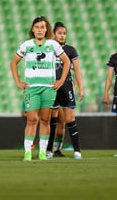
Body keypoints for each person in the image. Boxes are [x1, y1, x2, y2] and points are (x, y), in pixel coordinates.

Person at [10, 16, 71, 161]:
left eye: (42, 27)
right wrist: (18, 81)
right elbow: (13, 63)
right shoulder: (26, 45)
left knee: (45, 120)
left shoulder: (53, 45)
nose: (39, 30)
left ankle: (43, 152)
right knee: (31, 119)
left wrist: (61, 81)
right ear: (33, 29)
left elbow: (67, 62)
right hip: (32, 88)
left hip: (48, 89)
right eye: (37, 27)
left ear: (46, 29)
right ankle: (27, 153)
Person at [46, 22, 84, 159]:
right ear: (54, 34)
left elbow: (77, 70)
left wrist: (81, 88)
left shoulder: (71, 50)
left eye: (64, 33)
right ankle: (49, 150)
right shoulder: (48, 48)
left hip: (67, 86)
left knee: (70, 119)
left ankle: (77, 151)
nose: (62, 35)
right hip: (52, 86)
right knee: (52, 120)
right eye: (59, 33)